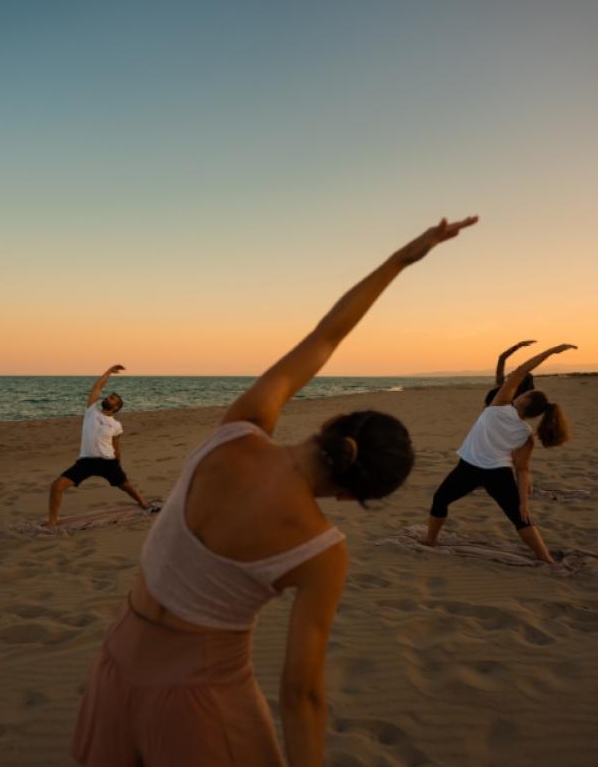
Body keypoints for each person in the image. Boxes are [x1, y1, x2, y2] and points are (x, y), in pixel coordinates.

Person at [71, 214, 478, 767]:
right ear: (354, 497)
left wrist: (403, 259)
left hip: (115, 666)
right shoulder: (320, 551)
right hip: (202, 697)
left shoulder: (238, 430)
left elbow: (325, 335)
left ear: (334, 421)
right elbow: (301, 694)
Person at [426, 344, 577, 564]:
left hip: (468, 468)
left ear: (524, 399)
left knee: (440, 500)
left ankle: (431, 541)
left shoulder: (499, 404)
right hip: (498, 474)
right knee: (520, 518)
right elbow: (523, 469)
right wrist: (523, 503)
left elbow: (521, 370)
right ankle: (546, 559)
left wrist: (550, 352)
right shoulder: (527, 434)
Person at [45, 365, 154, 526]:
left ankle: (143, 503)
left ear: (116, 407)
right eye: (109, 396)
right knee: (56, 486)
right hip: (85, 462)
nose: (108, 398)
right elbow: (97, 387)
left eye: (112, 399)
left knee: (125, 485)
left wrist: (118, 464)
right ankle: (52, 522)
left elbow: (116, 446)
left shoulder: (116, 425)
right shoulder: (91, 411)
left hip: (108, 462)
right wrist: (109, 372)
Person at [483, 339, 537, 406]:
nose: (511, 372)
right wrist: (518, 346)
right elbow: (501, 358)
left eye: (515, 372)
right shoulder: (519, 403)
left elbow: (502, 358)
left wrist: (517, 346)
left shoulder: (502, 388)